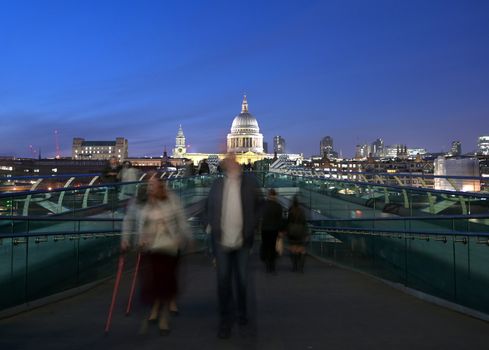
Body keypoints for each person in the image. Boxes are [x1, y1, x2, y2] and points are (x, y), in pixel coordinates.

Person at [121, 175, 191, 335]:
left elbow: (181, 219)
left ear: (161, 185)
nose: (150, 186)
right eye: (148, 183)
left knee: (165, 282)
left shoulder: (170, 199)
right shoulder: (140, 201)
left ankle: (163, 316)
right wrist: (126, 239)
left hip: (168, 246)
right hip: (149, 248)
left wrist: (185, 236)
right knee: (152, 282)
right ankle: (155, 307)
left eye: (153, 183)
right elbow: (129, 219)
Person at [205, 153, 262, 339]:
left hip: (242, 240)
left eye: (233, 160)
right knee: (223, 283)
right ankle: (225, 320)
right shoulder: (217, 185)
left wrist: (252, 224)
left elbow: (260, 205)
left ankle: (242, 313)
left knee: (242, 281)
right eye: (228, 161)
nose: (231, 162)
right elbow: (208, 208)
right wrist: (210, 224)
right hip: (221, 241)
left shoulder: (250, 183)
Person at [260, 189, 284, 273]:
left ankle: (267, 264)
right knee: (273, 247)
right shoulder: (278, 206)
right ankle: (272, 265)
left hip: (265, 229)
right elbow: (280, 220)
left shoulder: (264, 205)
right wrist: (281, 231)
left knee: (266, 246)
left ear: (268, 195)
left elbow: (261, 217)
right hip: (274, 229)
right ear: (275, 196)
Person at [286, 196, 308, 273]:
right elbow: (304, 223)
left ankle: (294, 266)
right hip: (301, 233)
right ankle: (301, 268)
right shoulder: (301, 211)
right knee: (301, 250)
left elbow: (288, 223)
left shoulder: (291, 211)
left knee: (293, 250)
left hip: (292, 233)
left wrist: (287, 232)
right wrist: (306, 233)